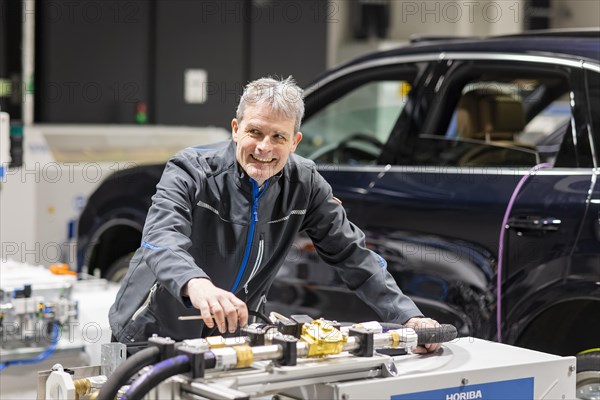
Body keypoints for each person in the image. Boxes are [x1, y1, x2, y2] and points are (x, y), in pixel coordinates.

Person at [109, 76, 441, 354]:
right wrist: (197, 285)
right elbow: (161, 239)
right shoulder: (191, 169)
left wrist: (408, 317)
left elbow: (353, 256)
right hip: (152, 331)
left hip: (233, 337)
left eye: (278, 137)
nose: (264, 148)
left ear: (295, 141)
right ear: (236, 129)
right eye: (255, 132)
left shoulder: (305, 183)